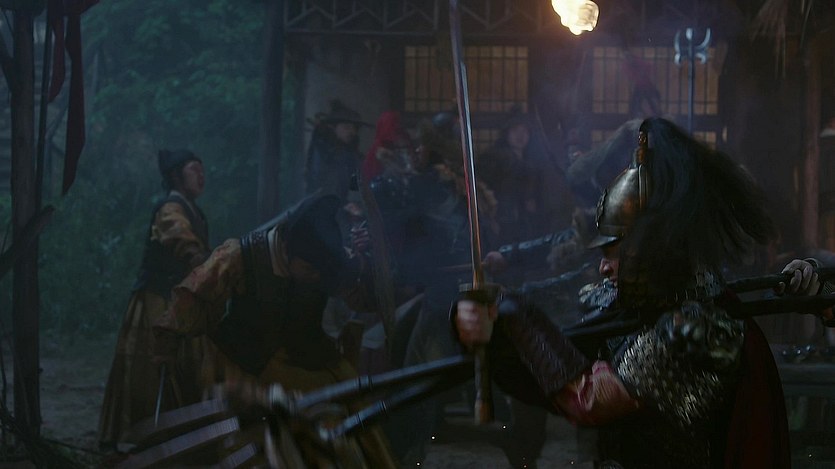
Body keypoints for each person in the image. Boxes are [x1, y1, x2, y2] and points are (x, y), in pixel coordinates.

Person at [454, 117, 800, 467]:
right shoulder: (633, 301)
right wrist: (493, 315)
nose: (604, 268)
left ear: (652, 249)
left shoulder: (696, 329)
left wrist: (517, 316)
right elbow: (557, 325)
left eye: (614, 252)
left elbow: (592, 401)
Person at [153, 194, 396, 467]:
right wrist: (168, 337)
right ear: (288, 250)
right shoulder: (243, 256)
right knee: (269, 440)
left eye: (319, 272)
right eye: (308, 268)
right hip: (249, 366)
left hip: (309, 362)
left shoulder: (327, 263)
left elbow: (362, 297)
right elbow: (196, 295)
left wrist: (367, 269)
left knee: (349, 418)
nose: (314, 277)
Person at [99, 149, 210, 451]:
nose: (201, 175)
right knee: (148, 371)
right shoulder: (170, 208)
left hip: (182, 301)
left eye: (202, 169)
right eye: (194, 169)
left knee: (187, 368)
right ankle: (144, 438)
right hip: (157, 302)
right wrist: (204, 260)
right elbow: (182, 242)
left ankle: (179, 439)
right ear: (176, 175)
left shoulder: (195, 211)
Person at [305, 100, 366, 199]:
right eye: (346, 127)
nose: (352, 132)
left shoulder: (352, 155)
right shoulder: (323, 152)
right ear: (333, 128)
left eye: (354, 128)